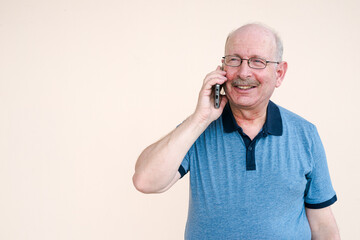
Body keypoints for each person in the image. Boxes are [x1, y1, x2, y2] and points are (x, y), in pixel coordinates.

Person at [133, 23, 340, 239]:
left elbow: (322, 226)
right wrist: (199, 118)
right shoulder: (197, 128)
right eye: (234, 60)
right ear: (221, 69)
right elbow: (145, 181)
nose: (243, 72)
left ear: (279, 73)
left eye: (257, 62)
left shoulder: (305, 134)